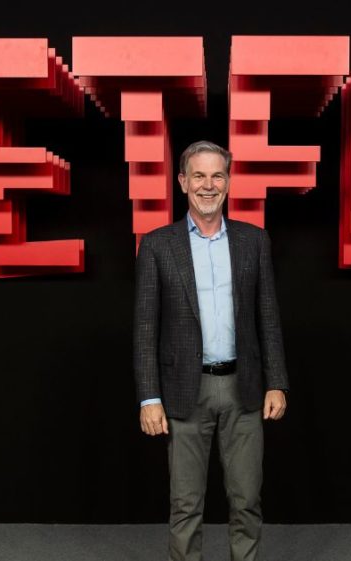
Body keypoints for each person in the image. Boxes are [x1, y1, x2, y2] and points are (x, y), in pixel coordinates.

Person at [133, 140, 290, 561]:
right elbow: (146, 327)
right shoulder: (157, 245)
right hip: (185, 391)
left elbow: (268, 318)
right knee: (185, 507)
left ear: (228, 182)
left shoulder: (253, 241)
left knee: (246, 503)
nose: (208, 185)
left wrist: (277, 383)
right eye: (198, 176)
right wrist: (149, 397)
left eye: (217, 175)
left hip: (245, 389)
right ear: (183, 182)